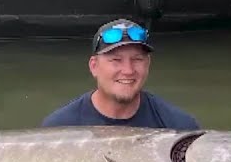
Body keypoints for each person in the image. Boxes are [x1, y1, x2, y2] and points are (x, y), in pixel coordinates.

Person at [42, 18, 199, 130]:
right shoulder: (58, 128)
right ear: (94, 66)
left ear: (148, 64)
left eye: (137, 59)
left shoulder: (179, 128)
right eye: (116, 60)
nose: (128, 70)